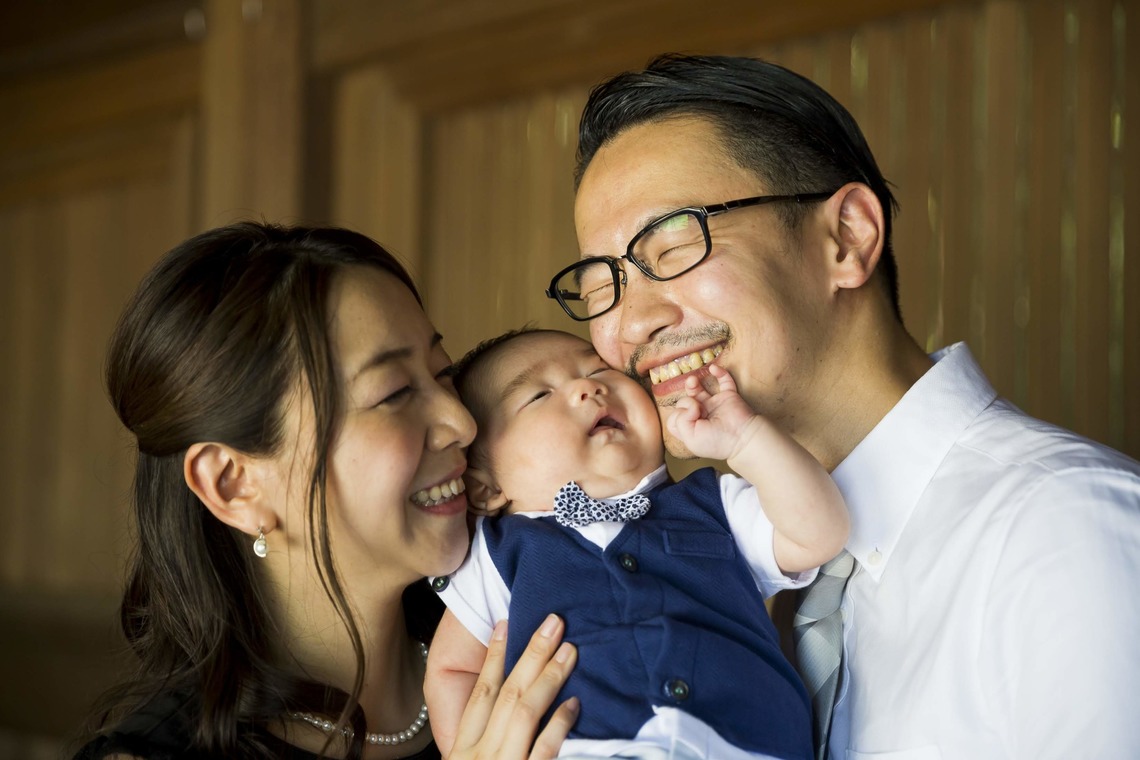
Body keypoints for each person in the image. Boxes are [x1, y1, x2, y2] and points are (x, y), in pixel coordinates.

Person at [545, 52, 1140, 759]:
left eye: (672, 245)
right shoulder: (718, 574)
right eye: (601, 284)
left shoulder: (1066, 531)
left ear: (847, 237)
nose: (630, 325)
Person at [73, 223, 580, 760]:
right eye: (395, 393)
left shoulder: (537, 633)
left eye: (442, 372)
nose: (461, 422)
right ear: (234, 484)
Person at [424, 327, 849, 760]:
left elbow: (818, 534)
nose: (588, 388)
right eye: (539, 395)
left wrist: (746, 440)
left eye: (598, 371)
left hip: (750, 745)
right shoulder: (496, 554)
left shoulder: (714, 504)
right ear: (486, 489)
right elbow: (453, 670)